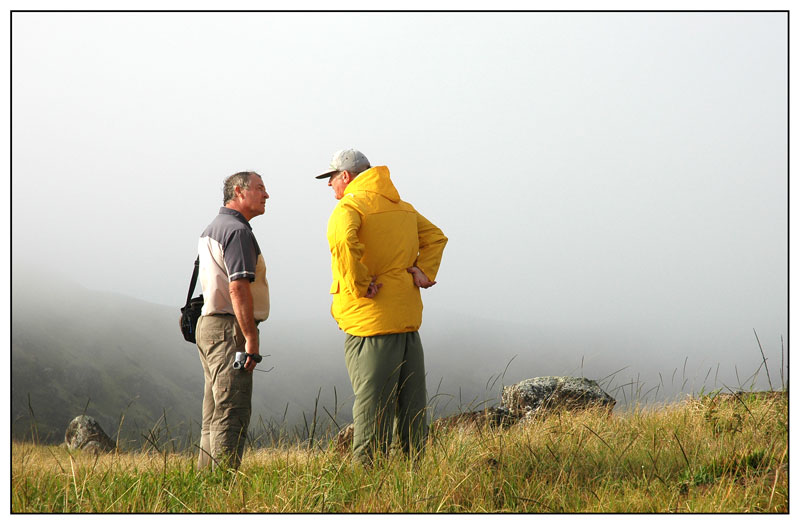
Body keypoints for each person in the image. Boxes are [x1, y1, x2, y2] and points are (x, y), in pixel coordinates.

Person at [316, 149, 447, 465]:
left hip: (370, 321)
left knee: (372, 402)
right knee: (411, 402)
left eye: (331, 177)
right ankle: (412, 467)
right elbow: (436, 238)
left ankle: (367, 472)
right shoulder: (401, 207)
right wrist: (423, 271)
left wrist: (361, 285)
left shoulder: (350, 207)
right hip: (406, 318)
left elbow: (345, 244)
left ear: (346, 176)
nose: (330, 185)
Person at [195, 171, 270, 470]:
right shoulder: (238, 232)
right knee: (231, 410)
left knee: (213, 411)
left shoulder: (213, 227)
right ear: (239, 192)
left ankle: (206, 482)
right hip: (229, 329)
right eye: (261, 189)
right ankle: (223, 485)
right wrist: (250, 336)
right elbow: (237, 286)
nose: (266, 195)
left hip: (209, 327)